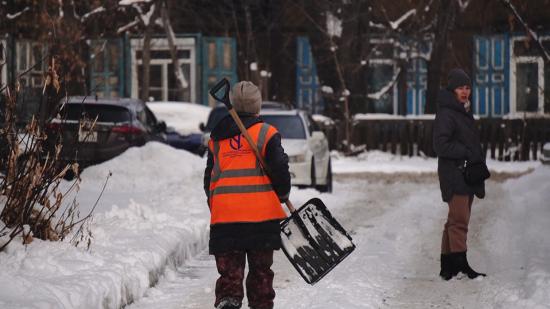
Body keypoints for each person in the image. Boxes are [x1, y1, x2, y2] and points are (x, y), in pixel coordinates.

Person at [203, 81, 291, 309]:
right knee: (261, 274)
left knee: (229, 279)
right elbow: (280, 167)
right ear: (257, 106)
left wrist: (218, 205)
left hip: (226, 219)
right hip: (261, 219)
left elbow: (209, 178)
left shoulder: (217, 138)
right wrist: (282, 193)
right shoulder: (267, 133)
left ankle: (229, 302)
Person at [432, 68, 487, 280]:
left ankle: (448, 267)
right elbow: (440, 145)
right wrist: (466, 152)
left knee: (453, 220)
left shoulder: (461, 110)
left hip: (465, 172)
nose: (465, 92)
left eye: (467, 87)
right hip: (455, 174)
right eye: (460, 88)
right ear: (452, 90)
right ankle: (460, 266)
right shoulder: (447, 113)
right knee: (459, 221)